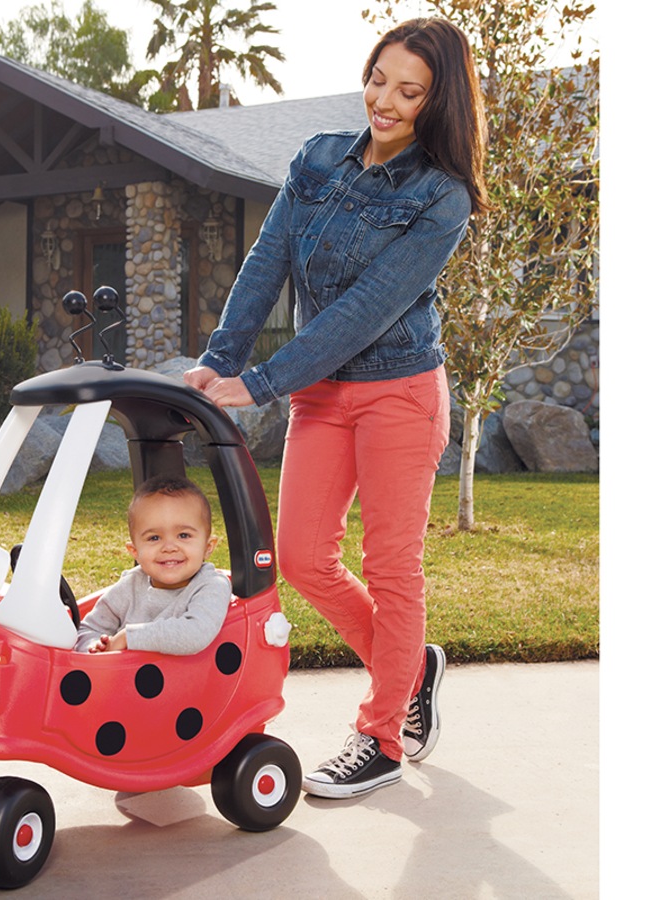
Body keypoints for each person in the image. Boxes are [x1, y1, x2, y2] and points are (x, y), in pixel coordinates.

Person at [185, 17, 489, 798]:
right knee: (302, 558)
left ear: (436, 103)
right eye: (379, 79)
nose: (384, 101)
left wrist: (259, 384)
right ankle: (410, 666)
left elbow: (365, 311)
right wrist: (219, 362)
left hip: (399, 392)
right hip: (324, 396)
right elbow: (265, 265)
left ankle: (381, 736)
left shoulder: (442, 198)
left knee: (392, 570)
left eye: (409, 91)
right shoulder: (316, 158)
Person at [74, 475, 232, 655]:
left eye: (183, 535)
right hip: (122, 678)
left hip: (197, 680)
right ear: (135, 551)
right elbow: (87, 630)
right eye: (154, 538)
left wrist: (127, 638)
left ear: (207, 547)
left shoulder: (212, 585)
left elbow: (195, 633)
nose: (169, 547)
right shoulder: (130, 585)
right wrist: (95, 646)